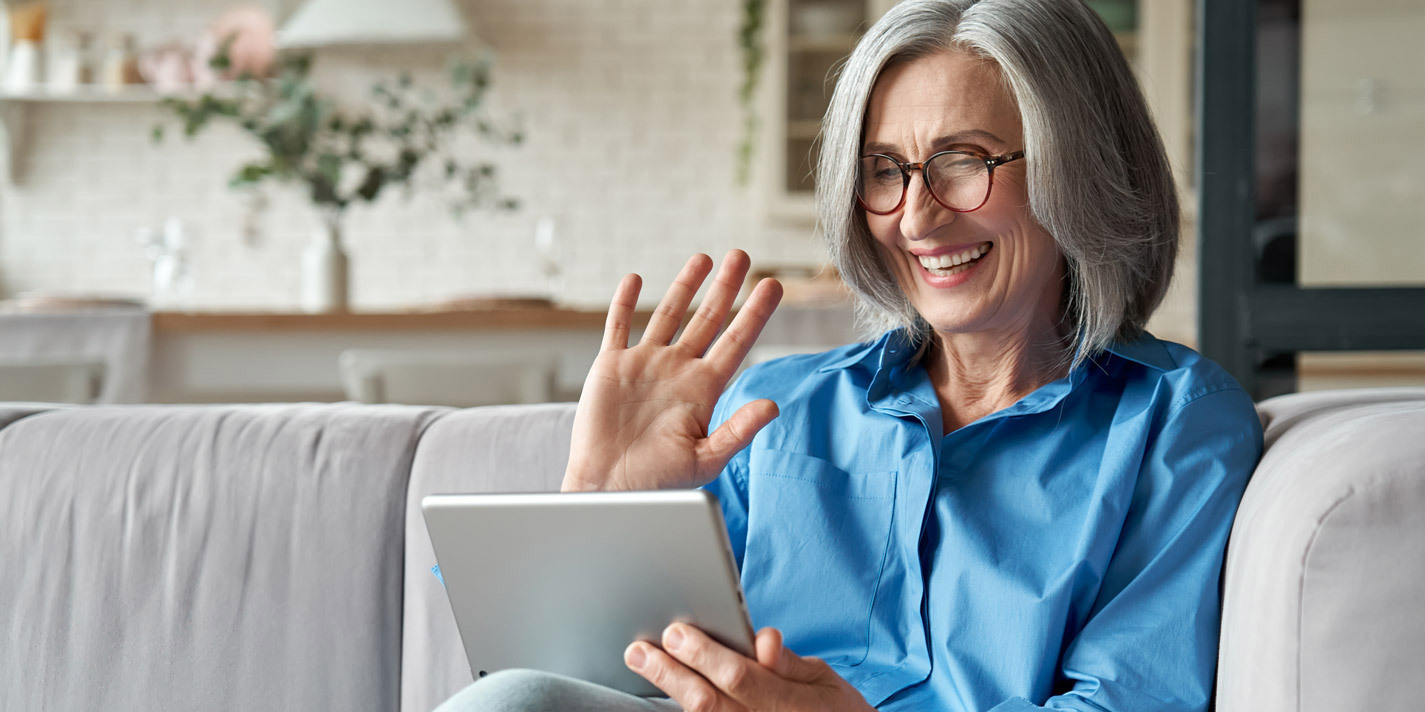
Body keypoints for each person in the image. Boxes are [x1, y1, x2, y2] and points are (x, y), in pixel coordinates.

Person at [437, 0, 1263, 710]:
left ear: (1078, 165)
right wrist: (597, 506)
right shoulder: (775, 411)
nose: (917, 217)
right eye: (884, 172)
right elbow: (589, 676)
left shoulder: (1173, 423)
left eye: (963, 161)